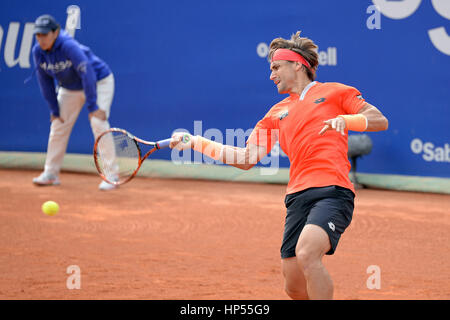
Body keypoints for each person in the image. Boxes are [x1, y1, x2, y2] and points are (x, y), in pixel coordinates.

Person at [170, 31, 389, 299]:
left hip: (333, 191)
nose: (271, 75)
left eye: (276, 67)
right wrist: (196, 141)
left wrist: (347, 120)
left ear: (297, 64)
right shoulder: (274, 114)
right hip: (297, 197)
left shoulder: (335, 93)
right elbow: (246, 159)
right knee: (294, 286)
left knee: (308, 252)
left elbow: (378, 119)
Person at [31, 14, 116, 190]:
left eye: (44, 34)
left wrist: (93, 105)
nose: (41, 39)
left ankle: (111, 175)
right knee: (58, 125)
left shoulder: (68, 45)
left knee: (98, 122)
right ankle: (51, 174)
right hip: (70, 88)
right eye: (38, 35)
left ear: (55, 32)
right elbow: (45, 82)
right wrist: (54, 110)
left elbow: (88, 73)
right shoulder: (38, 52)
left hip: (99, 82)